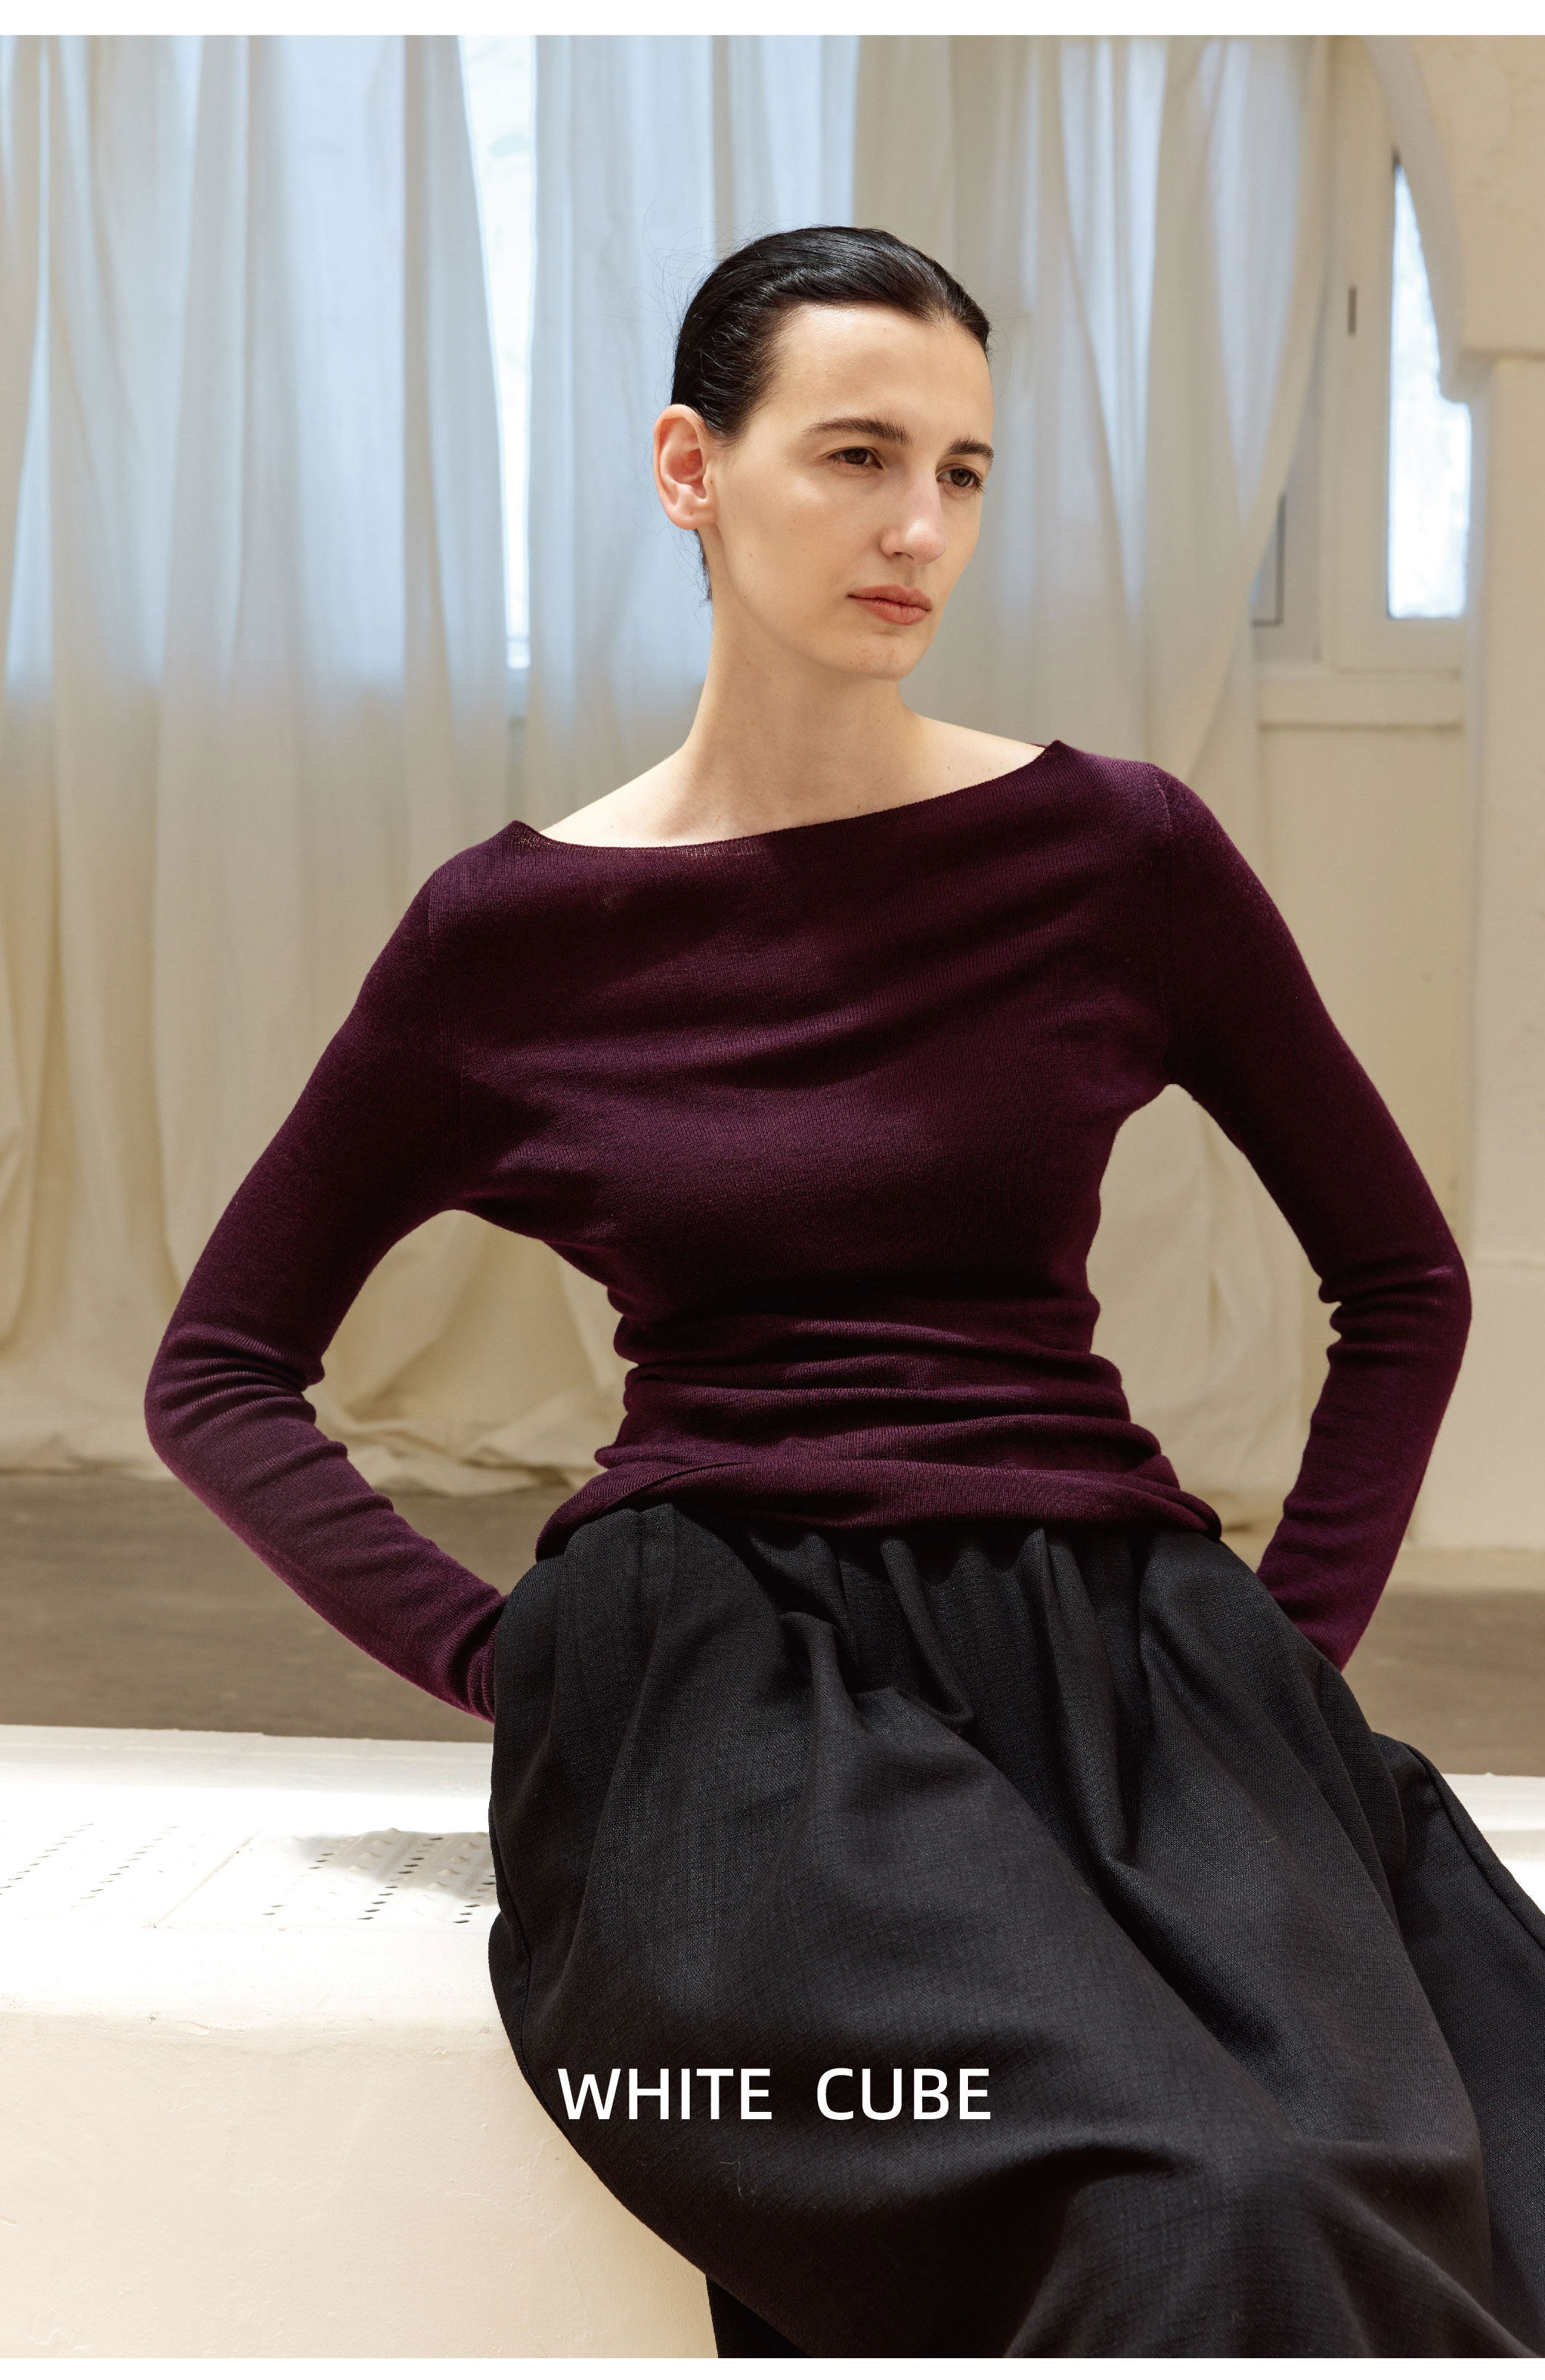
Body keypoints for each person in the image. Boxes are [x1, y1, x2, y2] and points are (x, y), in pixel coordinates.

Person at [144, 225, 1545, 2357]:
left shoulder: (1120, 854)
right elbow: (222, 1370)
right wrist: (515, 1662)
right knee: (1180, 2186)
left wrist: (1284, 1649)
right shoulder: (507, 936)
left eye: (964, 472)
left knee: (1431, 2146)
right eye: (860, 455)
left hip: (1119, 1633)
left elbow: (1403, 1279)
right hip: (726, 1666)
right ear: (690, 468)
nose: (921, 529)